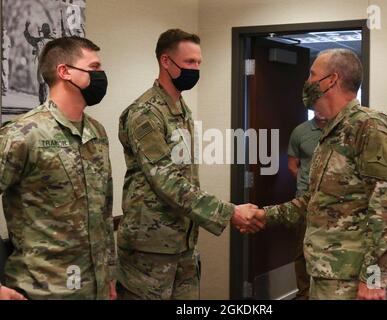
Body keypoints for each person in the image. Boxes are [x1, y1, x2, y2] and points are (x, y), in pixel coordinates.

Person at [248, 48, 387, 300]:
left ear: (331, 80)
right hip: (325, 273)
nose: (307, 82)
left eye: (312, 74)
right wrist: (264, 215)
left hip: (353, 280)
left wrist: (374, 278)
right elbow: (315, 201)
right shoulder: (331, 131)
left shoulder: (369, 126)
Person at [116, 29, 264, 300]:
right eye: (189, 63)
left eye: (198, 63)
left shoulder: (181, 109)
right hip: (150, 248)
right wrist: (228, 212)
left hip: (182, 241)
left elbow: (186, 176)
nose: (196, 69)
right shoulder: (145, 113)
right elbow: (166, 180)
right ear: (166, 61)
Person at [0, 36, 116, 300]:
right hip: (43, 290)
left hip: (94, 287)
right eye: (95, 67)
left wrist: (109, 272)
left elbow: (104, 210)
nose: (101, 75)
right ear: (64, 72)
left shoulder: (96, 132)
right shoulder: (24, 133)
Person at [287, 110, 327, 300]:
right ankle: (304, 294)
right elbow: (292, 165)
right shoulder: (300, 132)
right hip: (305, 200)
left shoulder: (340, 129)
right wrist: (307, 185)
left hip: (332, 203)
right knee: (302, 249)